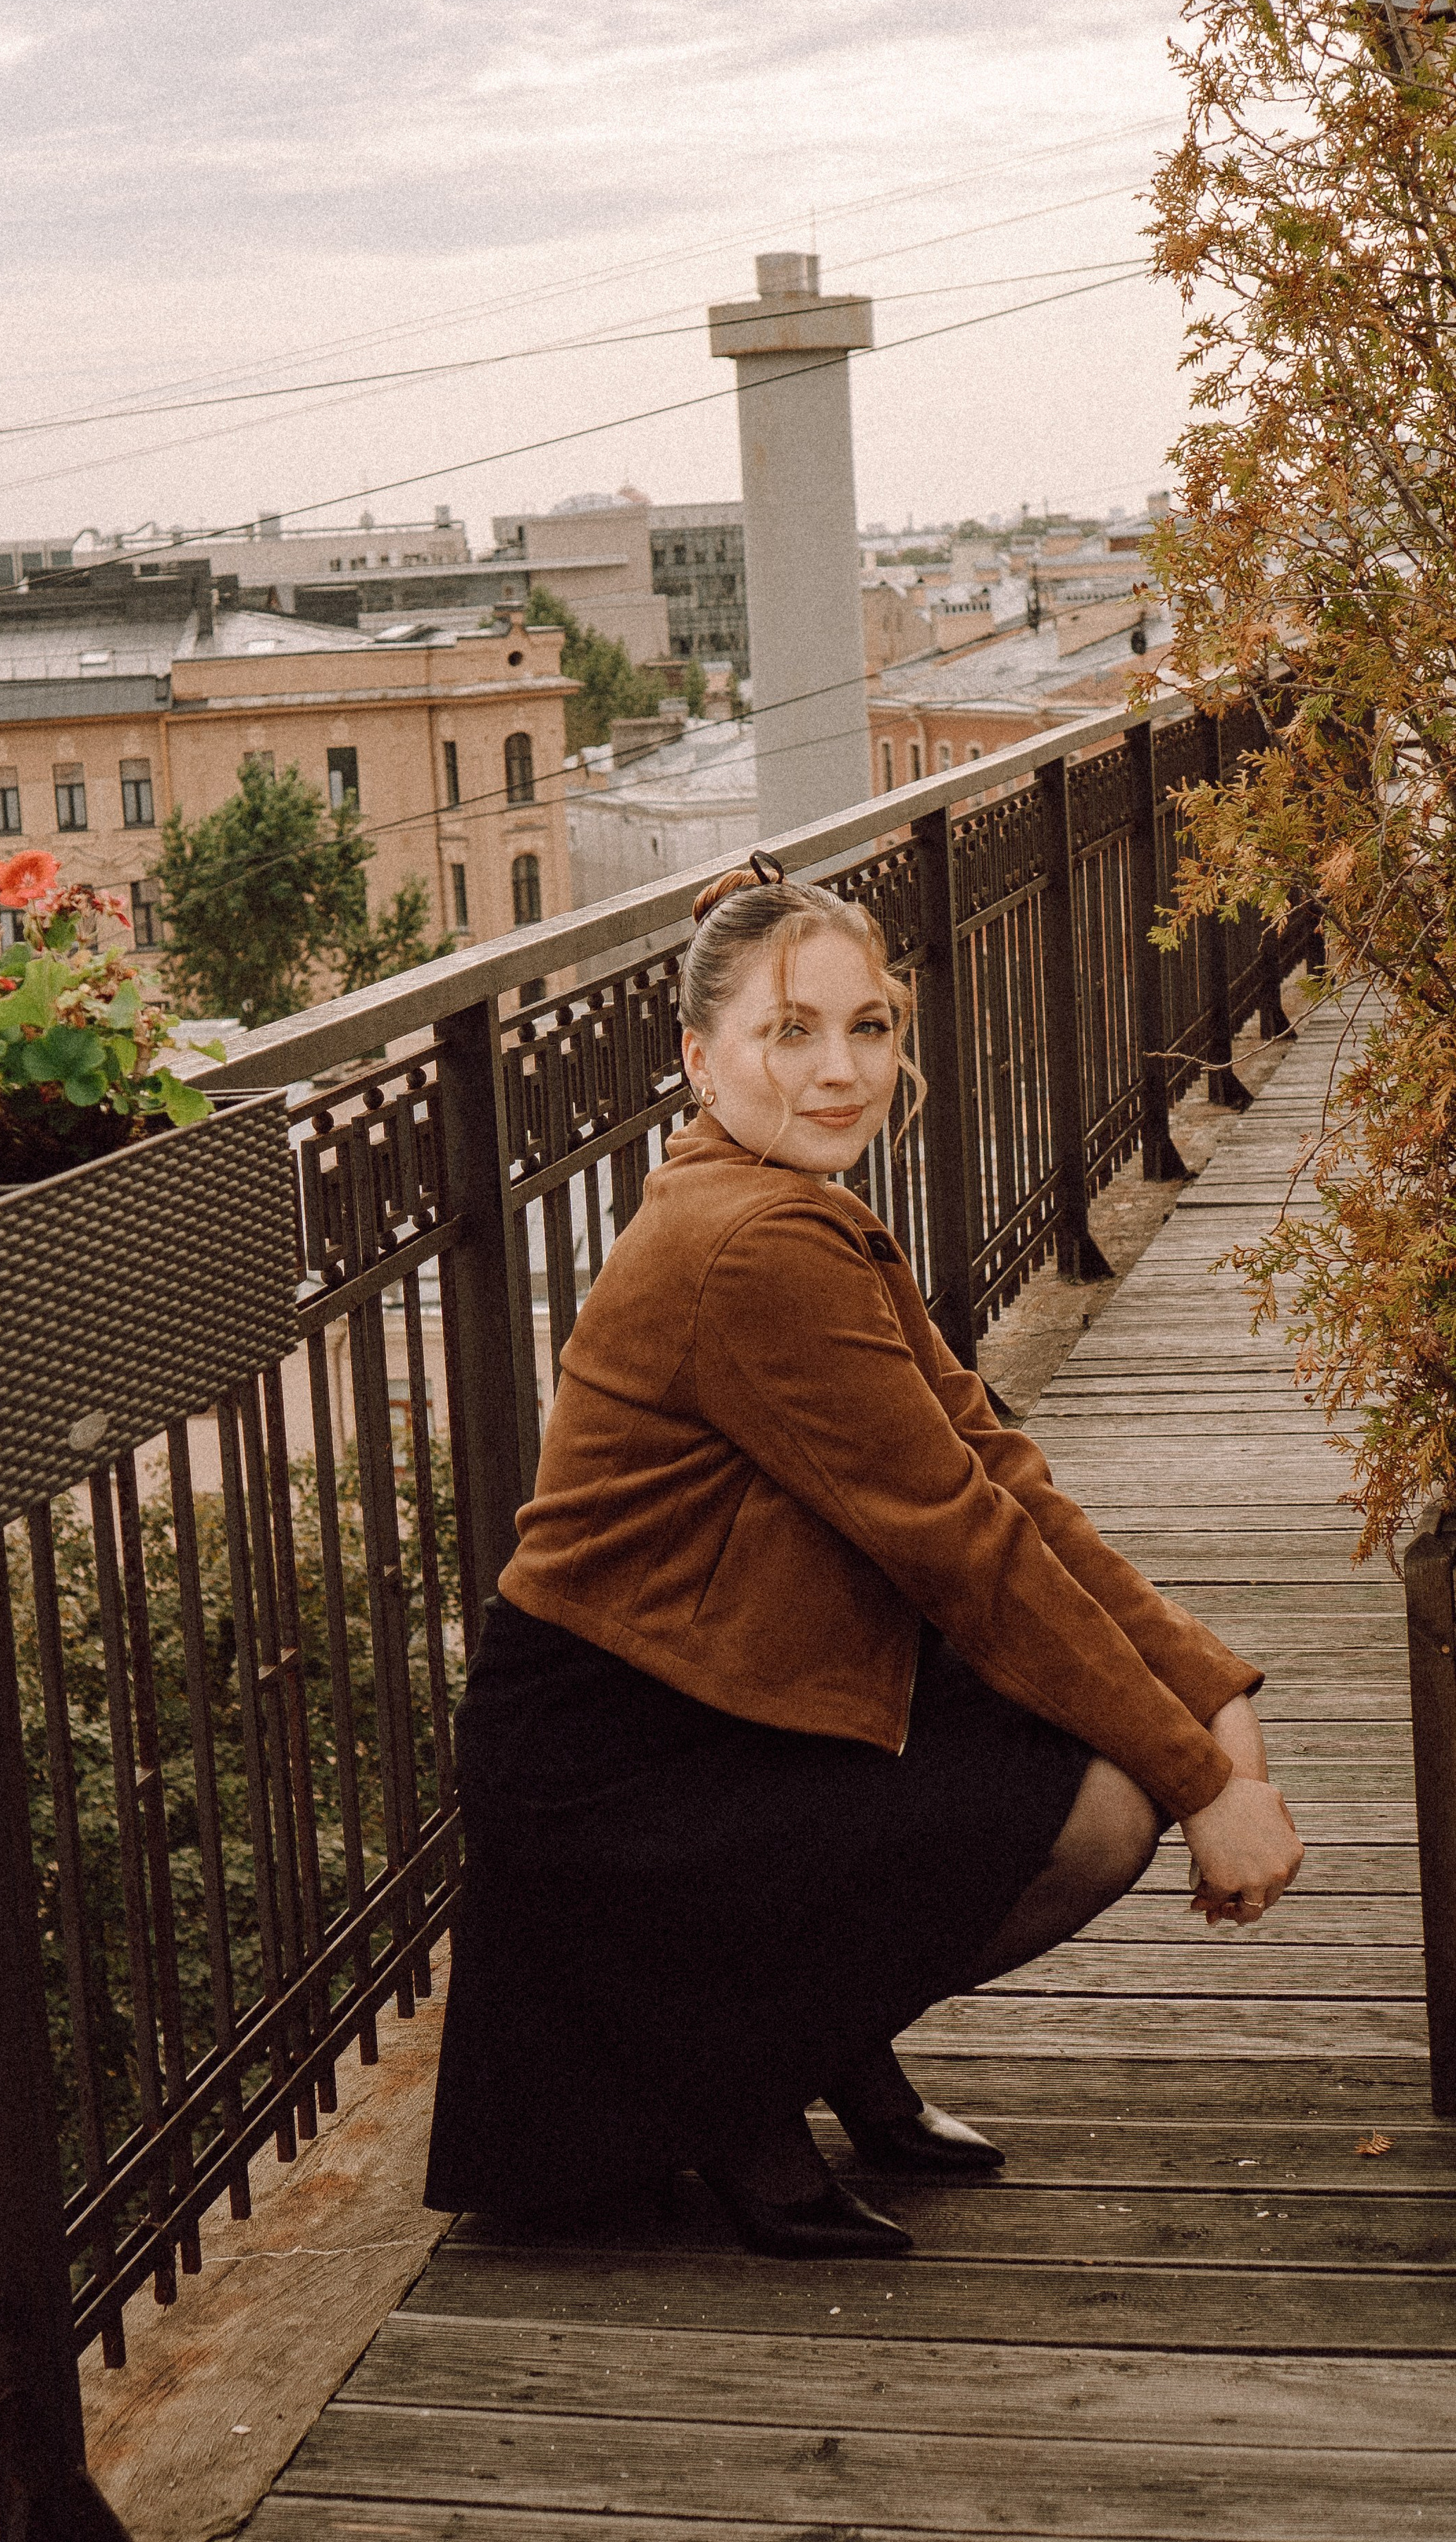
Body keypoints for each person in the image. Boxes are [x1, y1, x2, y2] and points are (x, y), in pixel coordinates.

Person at [423, 857, 1304, 2256]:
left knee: (1082, 1748)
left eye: (868, 1026)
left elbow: (1000, 1476)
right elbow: (966, 1552)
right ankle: (743, 2086)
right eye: (790, 1032)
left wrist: (1209, 1691)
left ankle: (813, 2040)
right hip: (617, 1755)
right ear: (698, 1059)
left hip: (719, 1688)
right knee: (1101, 1811)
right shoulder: (756, 1244)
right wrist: (1205, 1784)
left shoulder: (778, 1200)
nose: (840, 1071)